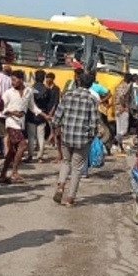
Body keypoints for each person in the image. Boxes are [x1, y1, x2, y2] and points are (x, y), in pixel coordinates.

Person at [52, 70, 100, 207]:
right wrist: (91, 137)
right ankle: (70, 198)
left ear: (78, 81)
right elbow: (94, 122)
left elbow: (57, 116)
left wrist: (56, 128)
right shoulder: (92, 100)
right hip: (82, 139)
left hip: (66, 136)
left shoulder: (68, 95)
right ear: (90, 85)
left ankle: (61, 186)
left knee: (65, 162)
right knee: (77, 168)